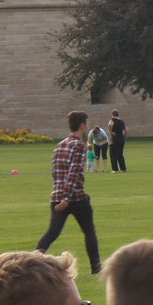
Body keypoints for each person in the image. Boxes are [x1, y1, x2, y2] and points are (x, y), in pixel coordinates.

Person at [37, 112, 103, 273]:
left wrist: (60, 195)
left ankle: (33, 261)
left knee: (52, 233)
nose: (87, 127)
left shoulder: (60, 145)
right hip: (75, 198)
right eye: (86, 124)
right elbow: (74, 173)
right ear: (82, 125)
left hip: (57, 196)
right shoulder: (79, 145)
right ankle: (96, 267)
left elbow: (55, 172)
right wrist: (67, 198)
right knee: (89, 231)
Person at [107, 109, 127, 173]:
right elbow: (126, 130)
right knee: (120, 154)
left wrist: (111, 132)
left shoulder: (112, 120)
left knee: (113, 154)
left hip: (114, 138)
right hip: (121, 138)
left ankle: (115, 169)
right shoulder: (122, 121)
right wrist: (123, 136)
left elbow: (110, 125)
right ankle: (123, 168)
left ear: (112, 115)